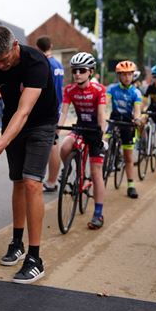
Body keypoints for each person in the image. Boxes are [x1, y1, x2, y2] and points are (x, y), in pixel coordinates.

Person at [0, 26, 59, 284]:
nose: (1, 66)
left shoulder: (36, 62)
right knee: (18, 181)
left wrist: (0, 142)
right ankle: (17, 242)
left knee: (32, 183)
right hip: (11, 121)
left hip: (41, 123)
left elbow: (25, 111)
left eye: (5, 59)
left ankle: (35, 257)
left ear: (16, 46)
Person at [58, 52, 107, 229]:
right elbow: (63, 113)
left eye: (82, 70)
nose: (77, 73)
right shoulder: (69, 90)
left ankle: (98, 214)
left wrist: (103, 135)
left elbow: (101, 115)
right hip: (80, 127)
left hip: (95, 130)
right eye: (75, 70)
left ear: (90, 72)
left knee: (96, 172)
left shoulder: (99, 89)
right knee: (64, 147)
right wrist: (57, 129)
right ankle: (68, 168)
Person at [106, 60, 142, 199]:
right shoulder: (112, 88)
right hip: (114, 120)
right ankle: (105, 163)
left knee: (128, 155)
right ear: (119, 76)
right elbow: (105, 103)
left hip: (127, 123)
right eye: (123, 75)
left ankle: (131, 185)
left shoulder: (136, 92)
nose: (127, 77)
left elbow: (137, 110)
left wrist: (137, 119)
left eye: (129, 74)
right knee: (103, 140)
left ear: (133, 75)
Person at [36, 36, 64, 193]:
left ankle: (51, 181)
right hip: (59, 106)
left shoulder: (45, 63)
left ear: (38, 47)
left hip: (49, 108)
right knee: (55, 143)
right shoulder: (58, 64)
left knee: (51, 145)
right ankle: (52, 180)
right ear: (51, 45)